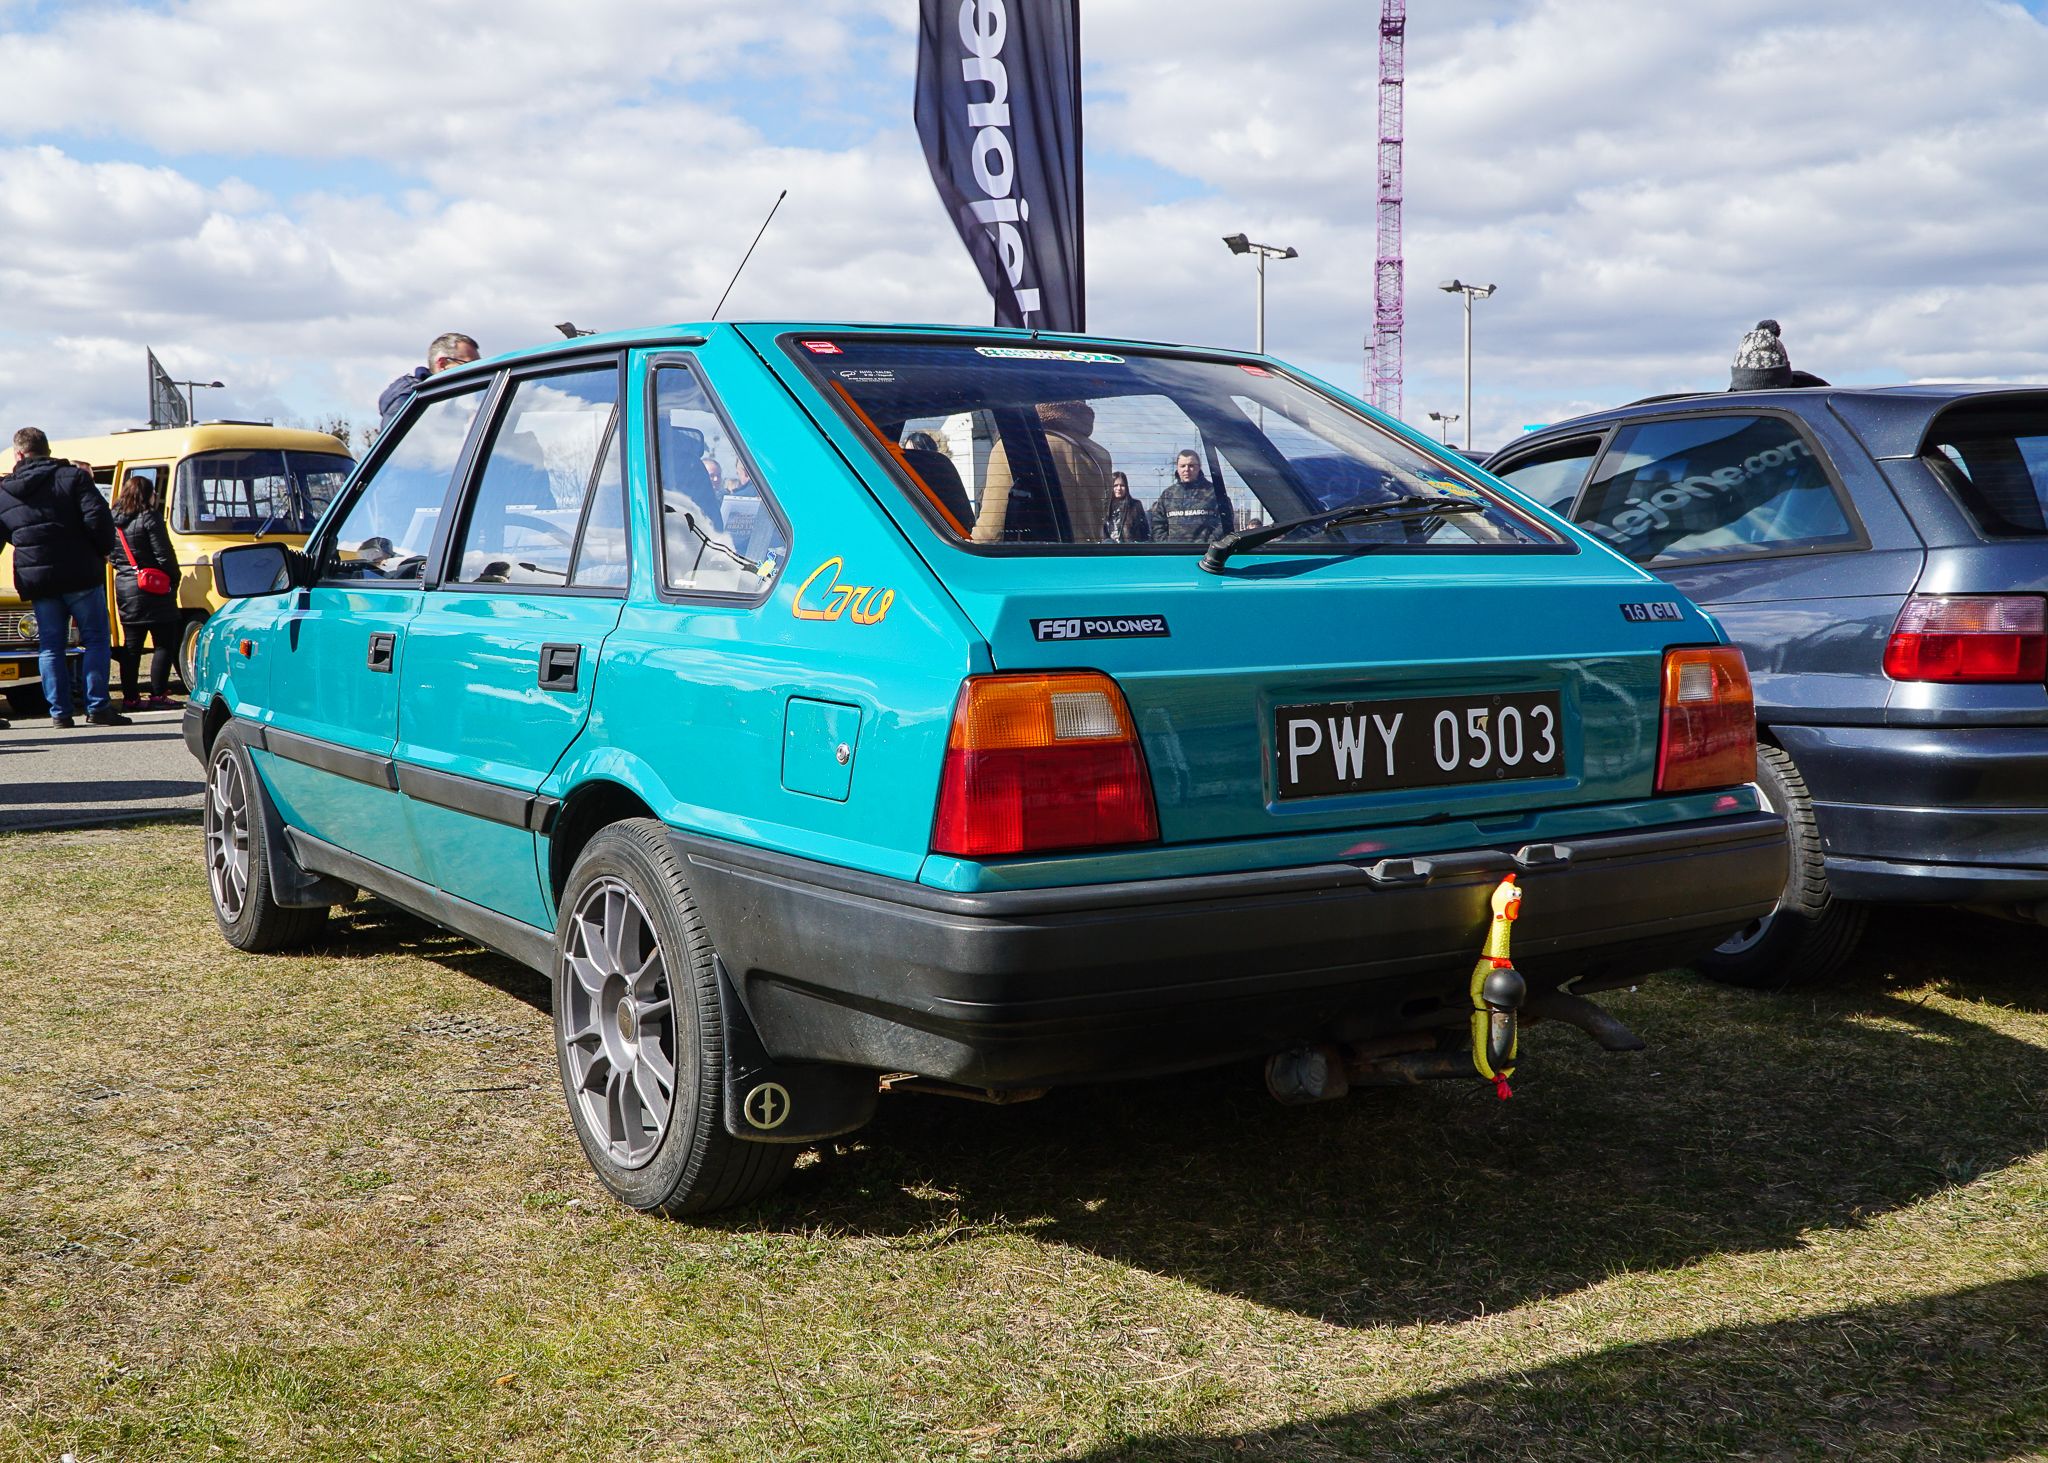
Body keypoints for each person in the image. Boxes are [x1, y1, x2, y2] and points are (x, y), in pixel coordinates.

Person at [0, 427, 125, 727]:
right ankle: (97, 707)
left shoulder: (5, 490)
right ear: (48, 449)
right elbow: (98, 518)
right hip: (81, 572)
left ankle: (59, 713)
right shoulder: (73, 478)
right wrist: (103, 550)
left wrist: (27, 548)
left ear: (18, 454)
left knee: (50, 645)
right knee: (95, 640)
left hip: (39, 579)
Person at [108, 472, 183, 710]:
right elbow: (163, 554)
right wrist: (174, 579)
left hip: (126, 586)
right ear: (148, 494)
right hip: (154, 587)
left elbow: (110, 556)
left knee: (131, 647)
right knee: (163, 643)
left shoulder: (113, 520)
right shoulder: (149, 517)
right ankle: (158, 694)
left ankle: (130, 698)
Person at [377, 332, 480, 421]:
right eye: (469, 365)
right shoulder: (410, 399)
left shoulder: (450, 400)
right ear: (443, 364)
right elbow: (408, 441)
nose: (476, 372)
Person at [1152, 449, 1232, 543]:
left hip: (1206, 553)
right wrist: (1167, 545)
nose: (1186, 469)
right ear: (1177, 468)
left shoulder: (1214, 493)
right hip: (1174, 554)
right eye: (1182, 466)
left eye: (1191, 466)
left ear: (1199, 467)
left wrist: (1209, 543)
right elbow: (1157, 524)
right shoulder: (1167, 495)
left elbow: (1225, 523)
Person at [1100, 470, 1150, 543]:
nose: (1119, 488)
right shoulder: (1103, 507)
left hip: (1129, 549)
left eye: (1122, 485)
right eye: (1115, 485)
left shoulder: (1135, 505)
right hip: (1108, 550)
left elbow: (1144, 532)